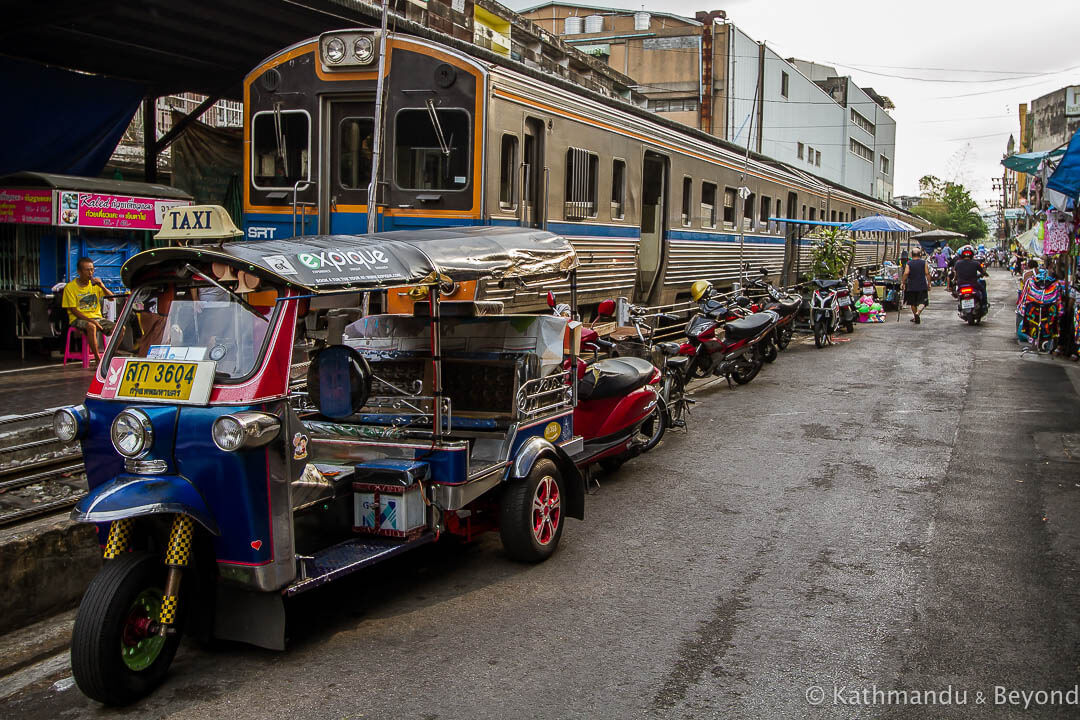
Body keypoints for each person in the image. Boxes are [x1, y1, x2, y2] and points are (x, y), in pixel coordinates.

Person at [62, 257, 117, 364]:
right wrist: (92, 321)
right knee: (91, 326)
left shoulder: (95, 285)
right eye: (87, 270)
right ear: (79, 271)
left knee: (120, 329)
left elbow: (112, 298)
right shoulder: (70, 287)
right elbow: (73, 310)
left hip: (97, 317)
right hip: (78, 318)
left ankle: (109, 356)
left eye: (92, 269)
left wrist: (102, 286)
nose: (90, 273)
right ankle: (97, 360)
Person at [900, 247, 932, 323]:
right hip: (922, 285)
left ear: (911, 255)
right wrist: (929, 283)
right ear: (920, 254)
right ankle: (918, 313)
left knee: (913, 303)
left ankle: (915, 316)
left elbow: (906, 273)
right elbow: (927, 273)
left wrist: (903, 283)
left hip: (911, 286)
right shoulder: (924, 262)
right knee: (923, 302)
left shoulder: (909, 263)